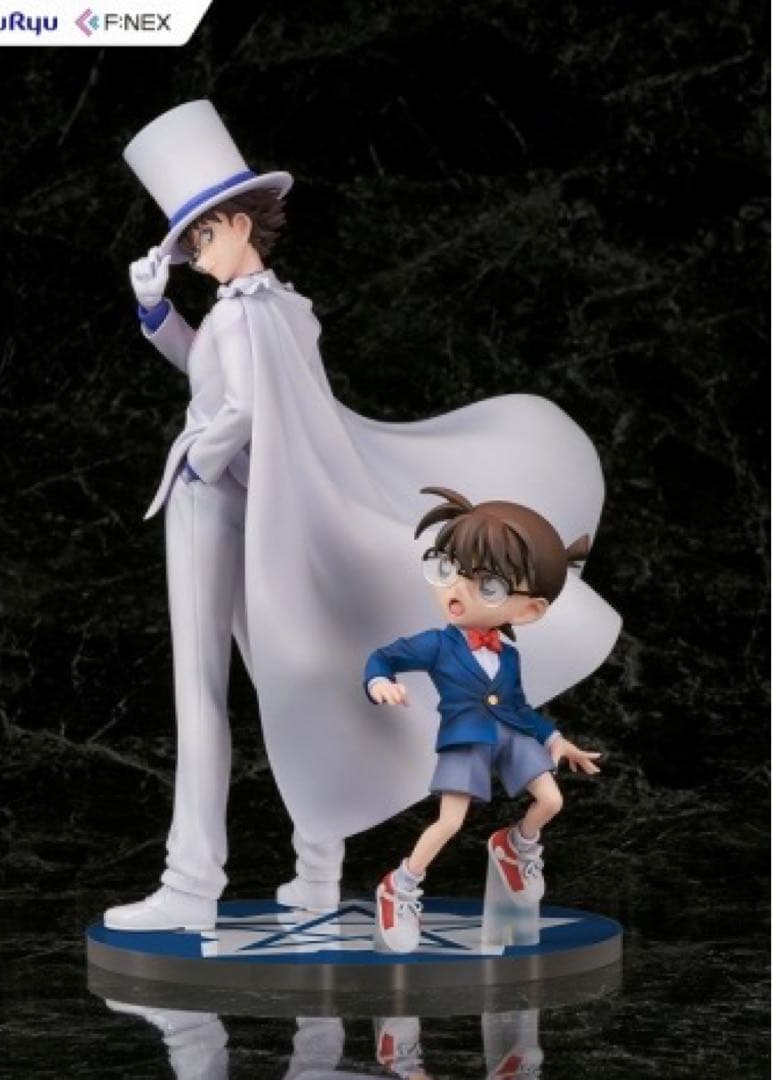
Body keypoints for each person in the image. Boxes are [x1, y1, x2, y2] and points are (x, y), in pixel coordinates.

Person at [104, 100, 620, 932]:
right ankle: (315, 870)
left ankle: (192, 883)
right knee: (295, 670)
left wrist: (199, 458)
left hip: (217, 497)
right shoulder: (282, 308)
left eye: (199, 239)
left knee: (207, 686)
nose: (195, 256)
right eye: (187, 246)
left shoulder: (244, 314)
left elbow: (236, 406)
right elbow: (228, 379)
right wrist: (159, 317)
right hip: (268, 502)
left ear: (238, 224)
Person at [365, 488, 602, 953]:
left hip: (511, 736)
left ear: (529, 609)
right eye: (447, 568)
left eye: (487, 586)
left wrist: (554, 738)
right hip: (467, 738)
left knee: (551, 800)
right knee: (450, 822)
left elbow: (518, 707)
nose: (457, 589)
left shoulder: (508, 656)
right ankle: (400, 886)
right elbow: (383, 657)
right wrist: (379, 683)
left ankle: (515, 846)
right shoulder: (438, 644)